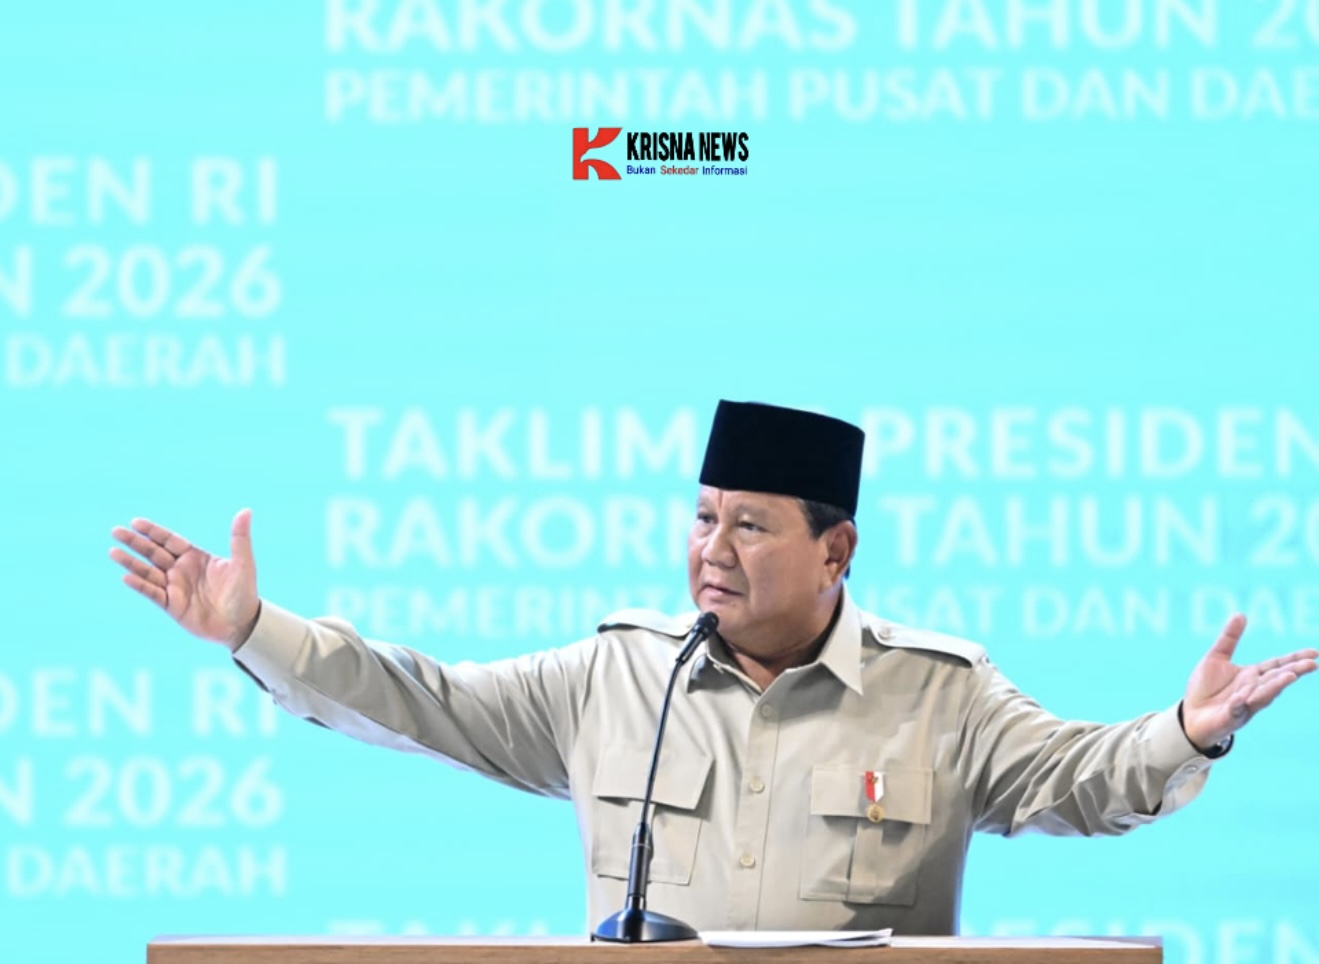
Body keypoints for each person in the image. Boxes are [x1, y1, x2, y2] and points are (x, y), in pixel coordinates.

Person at [109, 400, 1316, 936]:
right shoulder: (613, 678)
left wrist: (1187, 727)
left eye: (748, 524)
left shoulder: (937, 694)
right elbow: (420, 700)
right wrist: (255, 630)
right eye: (700, 518)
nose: (710, 550)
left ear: (834, 550)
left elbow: (1080, 780)